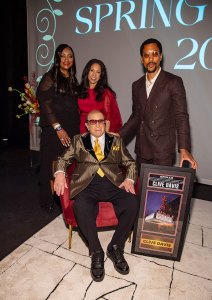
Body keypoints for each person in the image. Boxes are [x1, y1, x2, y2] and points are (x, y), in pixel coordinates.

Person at [53, 110, 138, 282]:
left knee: (132, 203)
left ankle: (115, 246)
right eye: (93, 122)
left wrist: (129, 178)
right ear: (87, 125)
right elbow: (62, 159)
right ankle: (96, 251)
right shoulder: (78, 140)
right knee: (81, 206)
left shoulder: (116, 140)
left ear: (106, 123)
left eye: (101, 121)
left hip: (113, 183)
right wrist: (60, 173)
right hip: (87, 184)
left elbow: (130, 162)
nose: (98, 125)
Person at [119, 38, 197, 170]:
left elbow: (181, 116)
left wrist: (184, 148)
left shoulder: (173, 82)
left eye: (154, 54)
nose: (151, 59)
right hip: (142, 149)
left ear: (160, 56)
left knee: (159, 189)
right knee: (142, 188)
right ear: (142, 59)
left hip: (163, 151)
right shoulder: (136, 85)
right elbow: (136, 116)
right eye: (146, 55)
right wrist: (119, 135)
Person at [36, 44, 80, 212]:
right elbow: (44, 101)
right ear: (57, 59)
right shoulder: (50, 77)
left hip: (72, 127)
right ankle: (46, 200)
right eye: (63, 56)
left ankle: (63, 199)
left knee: (68, 164)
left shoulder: (72, 78)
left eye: (70, 56)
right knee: (50, 165)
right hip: (55, 130)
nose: (66, 60)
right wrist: (58, 128)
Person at [78, 59, 122, 133]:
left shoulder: (106, 93)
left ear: (101, 76)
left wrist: (106, 138)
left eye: (98, 72)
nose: (94, 75)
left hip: (98, 134)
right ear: (87, 72)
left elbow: (110, 118)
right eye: (92, 70)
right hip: (81, 133)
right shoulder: (78, 91)